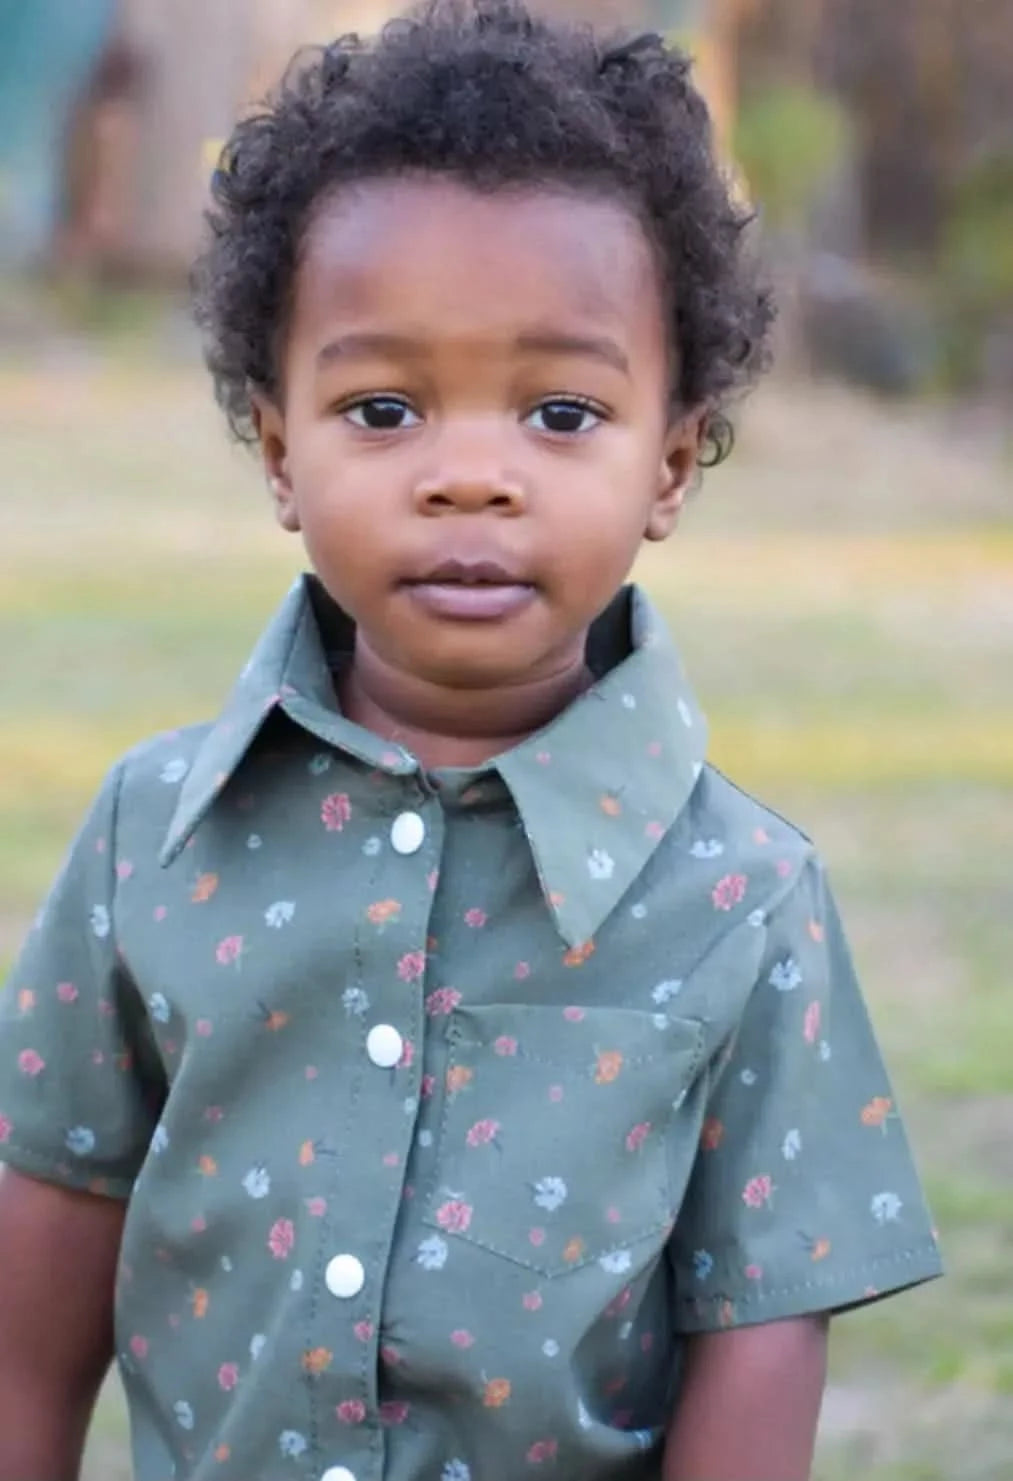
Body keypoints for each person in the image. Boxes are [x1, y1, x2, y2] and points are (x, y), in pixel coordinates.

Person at [0, 3, 942, 1479]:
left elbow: (760, 1340)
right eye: (384, 408)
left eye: (560, 413)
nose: (470, 478)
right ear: (277, 452)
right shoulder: (149, 838)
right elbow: (28, 1321)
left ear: (670, 462)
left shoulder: (742, 902)